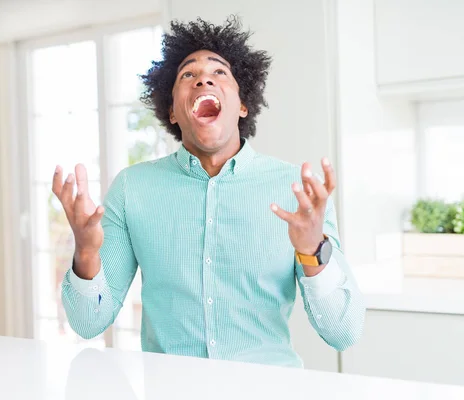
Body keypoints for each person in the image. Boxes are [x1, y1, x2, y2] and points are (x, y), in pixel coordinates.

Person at [51, 15, 365, 368]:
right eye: (188, 75)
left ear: (242, 105)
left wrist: (312, 250)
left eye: (219, 73)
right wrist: (87, 253)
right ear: (171, 110)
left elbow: (344, 332)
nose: (203, 78)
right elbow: (88, 323)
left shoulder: (299, 194)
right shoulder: (132, 189)